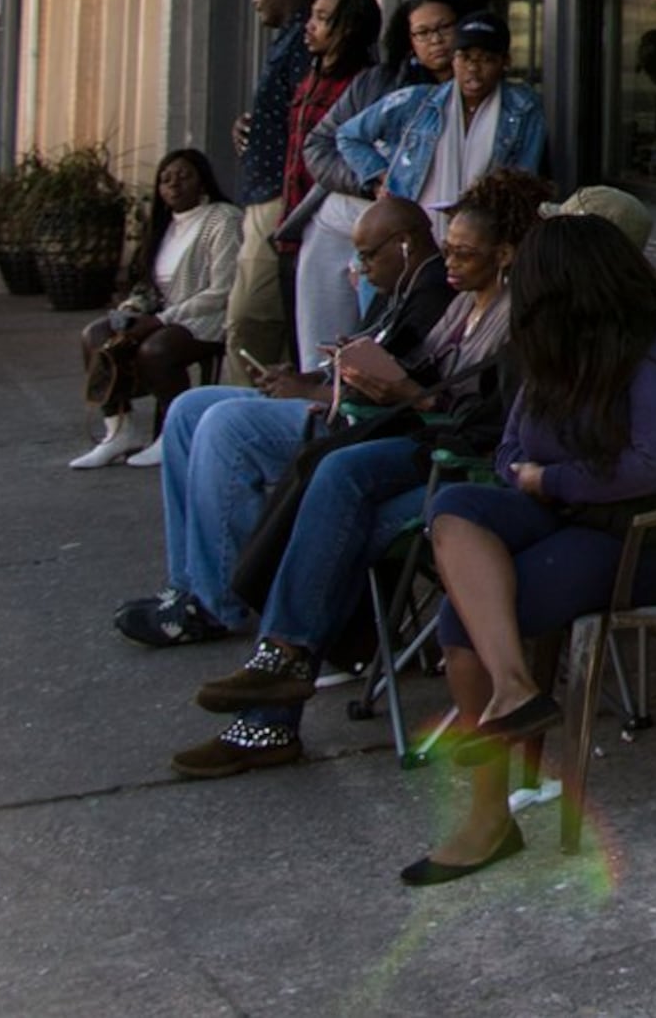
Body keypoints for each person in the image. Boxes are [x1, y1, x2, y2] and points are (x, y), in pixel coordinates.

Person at [405, 210, 656, 885]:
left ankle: (487, 818)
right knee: (454, 507)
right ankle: (514, 687)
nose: (519, 293)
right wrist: (523, 476)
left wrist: (552, 479)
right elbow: (510, 446)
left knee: (460, 618)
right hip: (563, 510)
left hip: (643, 531)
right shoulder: (554, 342)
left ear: (568, 285)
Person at [170, 167, 542, 777]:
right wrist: (368, 379)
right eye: (447, 247)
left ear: (505, 255)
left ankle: (276, 687)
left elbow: (494, 425)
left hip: (466, 477)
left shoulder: (519, 320)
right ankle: (279, 677)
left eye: (464, 253)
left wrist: (408, 395)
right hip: (422, 455)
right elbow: (427, 381)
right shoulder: (461, 307)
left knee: (338, 504)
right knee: (333, 492)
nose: (447, 263)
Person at [119, 195, 443, 651]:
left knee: (227, 426)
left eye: (369, 255)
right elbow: (358, 359)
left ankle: (216, 603)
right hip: (330, 401)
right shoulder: (398, 287)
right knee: (188, 409)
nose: (361, 267)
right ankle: (187, 584)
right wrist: (302, 377)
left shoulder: (432, 292)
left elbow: (395, 389)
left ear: (404, 244)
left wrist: (311, 392)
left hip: (358, 426)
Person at [72, 149, 247, 470]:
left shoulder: (223, 218)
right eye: (165, 180)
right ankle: (119, 432)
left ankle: (173, 434)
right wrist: (131, 310)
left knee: (156, 349)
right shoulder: (164, 224)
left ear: (203, 181)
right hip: (163, 316)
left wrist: (160, 320)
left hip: (208, 317)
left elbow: (223, 289)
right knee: (95, 334)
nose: (174, 185)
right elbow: (148, 286)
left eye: (184, 176)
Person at [327, 8, 546, 236]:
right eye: (465, 58)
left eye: (486, 59)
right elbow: (348, 135)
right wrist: (381, 177)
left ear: (505, 62)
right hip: (413, 229)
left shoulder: (524, 108)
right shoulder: (417, 101)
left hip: (482, 234)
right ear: (454, 59)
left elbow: (523, 180)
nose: (473, 68)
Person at [283, 0, 407, 366]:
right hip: (306, 206)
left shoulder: (366, 81)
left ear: (349, 28)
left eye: (322, 18)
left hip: (380, 217)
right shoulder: (315, 75)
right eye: (420, 33)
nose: (309, 26)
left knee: (370, 333)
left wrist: (371, 182)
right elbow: (318, 145)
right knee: (309, 344)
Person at [233, 0, 320, 249]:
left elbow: (306, 114)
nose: (255, 0)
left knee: (255, 280)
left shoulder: (302, 40)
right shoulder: (287, 39)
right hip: (268, 186)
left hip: (280, 189)